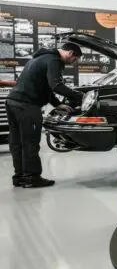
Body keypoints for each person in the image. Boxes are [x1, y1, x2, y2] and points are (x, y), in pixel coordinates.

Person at [6, 42, 83, 188]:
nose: (74, 63)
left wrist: (57, 104)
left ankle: (20, 177)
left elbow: (46, 86)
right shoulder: (54, 60)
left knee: (17, 142)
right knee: (30, 142)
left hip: (12, 102)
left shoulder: (39, 58)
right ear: (71, 53)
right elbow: (56, 85)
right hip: (27, 106)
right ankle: (32, 178)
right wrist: (79, 97)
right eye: (75, 59)